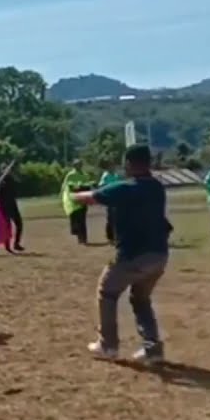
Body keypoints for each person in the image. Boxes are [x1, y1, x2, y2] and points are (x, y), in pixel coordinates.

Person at [72, 144, 172, 364]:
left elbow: (88, 198)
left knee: (106, 292)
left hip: (132, 256)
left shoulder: (125, 189)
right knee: (140, 299)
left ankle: (107, 345)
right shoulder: (156, 187)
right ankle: (152, 348)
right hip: (159, 255)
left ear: (128, 164)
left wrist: (73, 193)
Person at [61, 160, 94, 244]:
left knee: (82, 219)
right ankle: (76, 231)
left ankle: (83, 238)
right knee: (75, 217)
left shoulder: (84, 175)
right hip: (73, 199)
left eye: (80, 165)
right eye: (77, 165)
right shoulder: (71, 175)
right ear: (74, 166)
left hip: (83, 199)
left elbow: (88, 187)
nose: (79, 166)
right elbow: (67, 187)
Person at [0, 163, 25, 252]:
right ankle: (7, 246)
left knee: (19, 224)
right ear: (1, 170)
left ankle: (16, 244)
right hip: (4, 206)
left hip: (12, 205)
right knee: (7, 227)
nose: (6, 170)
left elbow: (18, 181)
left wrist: (11, 174)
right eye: (4, 169)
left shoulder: (11, 179)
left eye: (7, 168)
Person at [98, 160, 123, 244]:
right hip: (110, 198)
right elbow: (101, 185)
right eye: (111, 166)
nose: (113, 168)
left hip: (117, 198)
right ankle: (110, 237)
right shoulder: (106, 175)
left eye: (113, 166)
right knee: (111, 218)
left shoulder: (116, 175)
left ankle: (118, 236)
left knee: (118, 218)